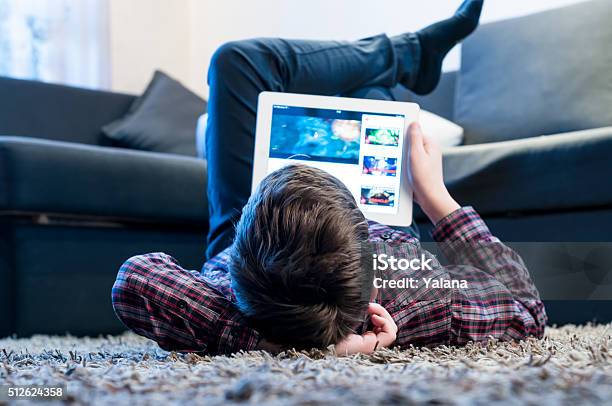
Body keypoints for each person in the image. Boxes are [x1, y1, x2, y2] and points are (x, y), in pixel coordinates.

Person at [112, 0, 547, 355]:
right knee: (373, 98)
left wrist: (269, 343)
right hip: (367, 254)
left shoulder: (226, 292)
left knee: (235, 62)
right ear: (369, 240)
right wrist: (436, 197)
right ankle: (408, 55)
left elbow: (136, 279)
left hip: (256, 275)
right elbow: (526, 309)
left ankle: (408, 54)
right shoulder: (412, 289)